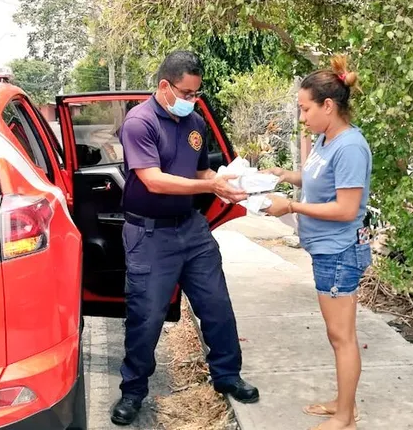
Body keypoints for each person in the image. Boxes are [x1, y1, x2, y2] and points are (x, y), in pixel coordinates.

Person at [110, 50, 260, 426]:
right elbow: (153, 179)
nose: (193, 101)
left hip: (191, 228)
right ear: (165, 86)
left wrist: (223, 183)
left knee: (216, 305)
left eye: (197, 94)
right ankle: (133, 392)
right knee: (145, 317)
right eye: (187, 93)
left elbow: (199, 170)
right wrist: (206, 182)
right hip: (149, 234)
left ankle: (227, 375)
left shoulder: (194, 122)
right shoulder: (139, 122)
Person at [262, 54, 372, 430]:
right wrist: (281, 175)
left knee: (342, 336)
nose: (302, 117)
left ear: (328, 105)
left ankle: (346, 416)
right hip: (326, 250)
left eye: (306, 109)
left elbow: (346, 207)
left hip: (340, 251)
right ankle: (342, 403)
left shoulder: (350, 147)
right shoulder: (326, 140)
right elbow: (317, 182)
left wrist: (291, 206)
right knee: (337, 334)